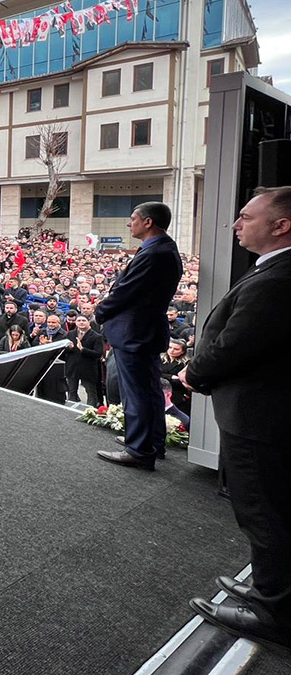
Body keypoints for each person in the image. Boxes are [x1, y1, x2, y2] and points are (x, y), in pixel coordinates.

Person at [180, 187, 291, 649]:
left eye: (245, 216)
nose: (235, 224)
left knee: (263, 512)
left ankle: (273, 610)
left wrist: (194, 372)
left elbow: (237, 345)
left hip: (258, 416)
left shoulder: (278, 279)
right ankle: (271, 590)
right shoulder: (274, 271)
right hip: (265, 412)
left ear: (281, 225)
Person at [94, 202, 182, 470]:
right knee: (150, 390)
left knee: (137, 393)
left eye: (133, 218)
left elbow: (126, 291)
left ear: (148, 222)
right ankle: (152, 442)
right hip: (143, 331)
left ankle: (140, 450)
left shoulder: (155, 254)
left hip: (135, 332)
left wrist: (100, 312)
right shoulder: (162, 249)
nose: (128, 223)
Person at [63, 315, 104, 407]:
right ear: (76, 322)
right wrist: (70, 348)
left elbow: (98, 353)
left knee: (90, 393)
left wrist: (83, 350)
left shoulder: (96, 336)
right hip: (72, 368)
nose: (81, 322)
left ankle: (91, 410)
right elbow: (64, 351)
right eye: (79, 320)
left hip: (88, 369)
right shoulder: (70, 334)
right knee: (71, 392)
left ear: (88, 322)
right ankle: (70, 410)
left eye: (83, 320)